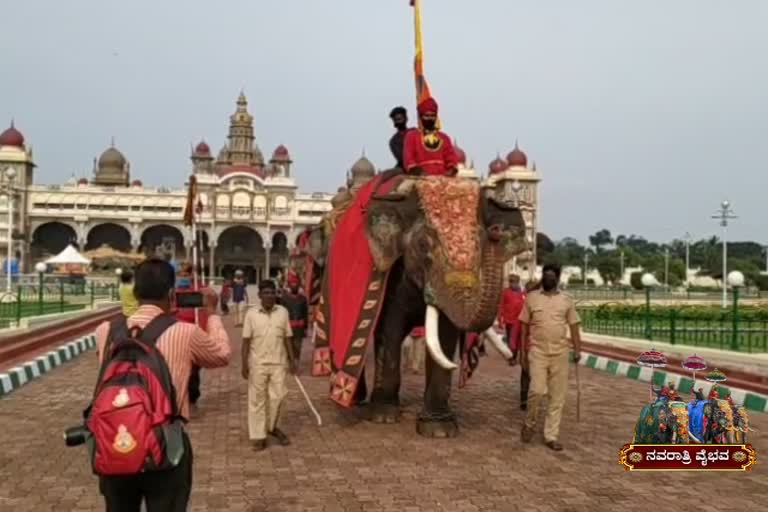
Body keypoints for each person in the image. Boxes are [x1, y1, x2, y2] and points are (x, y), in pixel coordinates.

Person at [93, 258, 231, 511]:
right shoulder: (184, 332)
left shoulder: (106, 330)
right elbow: (222, 354)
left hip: (115, 442)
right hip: (166, 445)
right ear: (171, 293)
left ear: (135, 292)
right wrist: (212, 313)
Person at [519, 264, 582, 451]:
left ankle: (551, 436)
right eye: (545, 275)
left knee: (557, 397)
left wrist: (578, 350)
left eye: (551, 276)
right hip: (538, 351)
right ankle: (529, 423)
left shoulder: (566, 300)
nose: (548, 278)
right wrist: (522, 350)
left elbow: (574, 326)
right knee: (536, 391)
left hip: (560, 353)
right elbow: (523, 325)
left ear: (557, 278)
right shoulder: (532, 298)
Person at [242, 280, 298, 451]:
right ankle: (259, 436)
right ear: (259, 295)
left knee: (278, 396)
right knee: (257, 400)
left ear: (276, 294)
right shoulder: (251, 314)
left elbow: (288, 337)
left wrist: (292, 359)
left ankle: (272, 427)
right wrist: (244, 364)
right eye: (265, 293)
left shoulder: (283, 312)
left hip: (278, 362)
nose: (269, 296)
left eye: (272, 292)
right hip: (257, 363)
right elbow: (246, 341)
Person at [402, 97, 459, 177]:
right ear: (421, 117)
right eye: (427, 116)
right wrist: (420, 173)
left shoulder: (444, 138)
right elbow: (409, 159)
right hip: (420, 176)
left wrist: (450, 170)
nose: (430, 118)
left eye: (432, 116)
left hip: (443, 176)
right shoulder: (412, 136)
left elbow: (451, 157)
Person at [278, 275, 309, 365]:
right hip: (287, 326)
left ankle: (296, 361)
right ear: (289, 285)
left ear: (299, 285)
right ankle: (290, 362)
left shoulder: (303, 299)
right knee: (288, 345)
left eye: (296, 283)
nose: (294, 285)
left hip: (299, 327)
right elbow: (281, 313)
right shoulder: (284, 298)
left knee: (297, 346)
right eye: (292, 283)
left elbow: (305, 313)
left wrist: (306, 327)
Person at [499, 274, 526, 365]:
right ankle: (512, 357)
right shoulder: (505, 292)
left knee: (516, 339)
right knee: (511, 339)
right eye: (510, 282)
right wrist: (500, 319)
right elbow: (501, 306)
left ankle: (515, 356)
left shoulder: (522, 293)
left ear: (518, 282)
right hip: (509, 320)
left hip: (519, 320)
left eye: (514, 282)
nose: (512, 284)